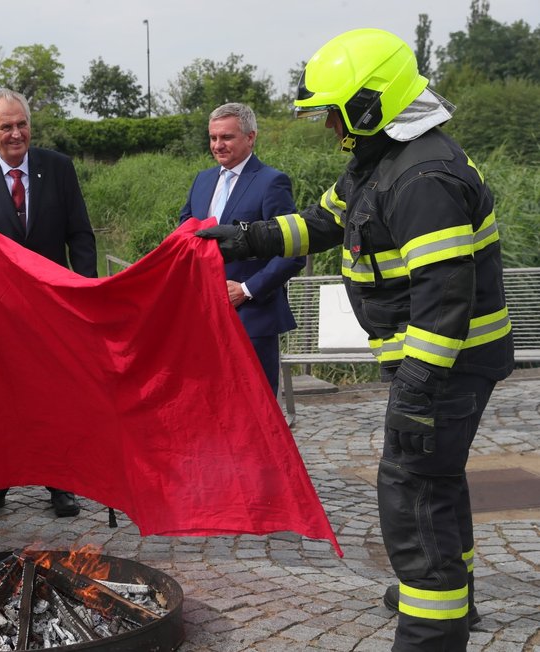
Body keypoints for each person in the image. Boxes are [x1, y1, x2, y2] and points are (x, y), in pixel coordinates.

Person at [196, 28, 514, 651]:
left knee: (411, 488)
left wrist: (418, 390)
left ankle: (431, 628)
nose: (329, 127)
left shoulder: (423, 176)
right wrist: (246, 238)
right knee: (440, 478)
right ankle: (454, 591)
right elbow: (324, 221)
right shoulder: (384, 158)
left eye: (334, 113)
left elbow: (444, 296)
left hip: (445, 365)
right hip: (445, 363)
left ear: (369, 105)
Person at [0, 89, 97, 521]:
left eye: (22, 124)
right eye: (6, 126)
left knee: (58, 396)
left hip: (54, 307)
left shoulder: (58, 168)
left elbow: (80, 234)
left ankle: (62, 484)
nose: (16, 133)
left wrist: (86, 290)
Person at [179, 102, 305, 395]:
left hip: (253, 315)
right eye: (213, 138)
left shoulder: (272, 182)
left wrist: (247, 289)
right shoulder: (202, 180)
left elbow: (294, 252)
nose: (218, 145)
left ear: (250, 137)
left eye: (227, 137)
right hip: (204, 314)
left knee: (257, 404)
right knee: (214, 405)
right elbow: (186, 233)